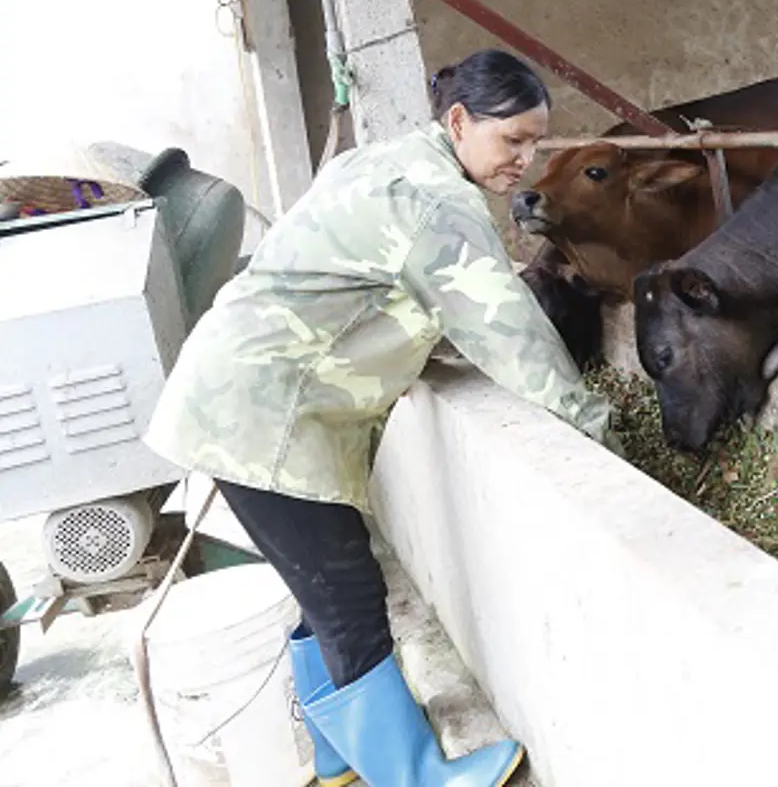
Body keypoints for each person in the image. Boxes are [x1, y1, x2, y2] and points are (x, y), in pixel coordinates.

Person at [143, 49, 617, 787]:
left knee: (319, 590)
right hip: (263, 415)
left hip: (242, 395)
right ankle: (418, 776)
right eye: (511, 141)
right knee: (347, 595)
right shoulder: (438, 201)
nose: (524, 161)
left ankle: (337, 760)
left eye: (535, 143)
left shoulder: (385, 162)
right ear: (458, 121)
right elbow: (510, 333)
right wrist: (595, 431)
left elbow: (377, 292)